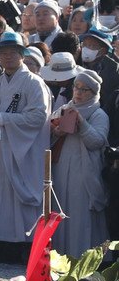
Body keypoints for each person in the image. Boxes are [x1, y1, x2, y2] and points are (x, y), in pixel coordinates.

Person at [0, 32, 52, 261]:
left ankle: (24, 246)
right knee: (1, 193)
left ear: (22, 55)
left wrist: (6, 119)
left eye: (13, 52)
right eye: (3, 52)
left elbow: (39, 116)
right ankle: (1, 244)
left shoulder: (34, 83)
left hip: (25, 150)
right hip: (0, 148)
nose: (8, 56)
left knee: (22, 196)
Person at [49, 68, 109, 258]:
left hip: (83, 174)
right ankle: (60, 258)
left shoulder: (99, 114)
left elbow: (97, 142)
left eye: (85, 90)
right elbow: (47, 131)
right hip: (60, 169)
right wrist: (55, 131)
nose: (79, 93)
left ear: (94, 93)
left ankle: (80, 258)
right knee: (60, 212)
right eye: (77, 87)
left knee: (80, 216)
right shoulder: (64, 108)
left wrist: (82, 123)